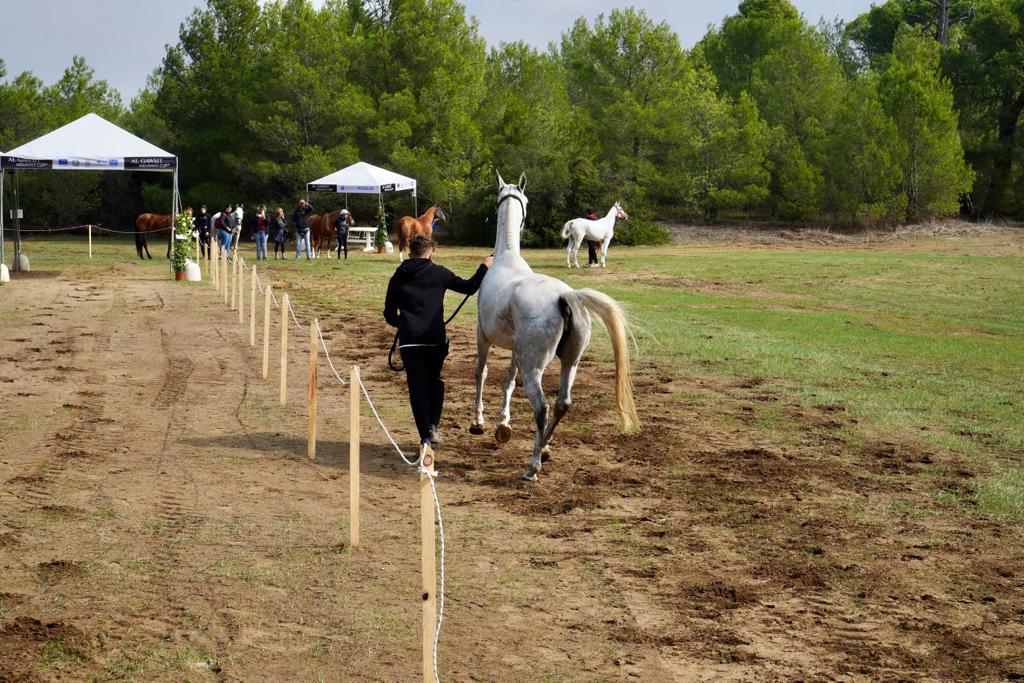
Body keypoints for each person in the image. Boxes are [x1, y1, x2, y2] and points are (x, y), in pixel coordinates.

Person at [383, 235, 493, 456]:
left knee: (417, 388)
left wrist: (404, 324)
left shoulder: (397, 276)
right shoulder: (439, 272)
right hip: (434, 339)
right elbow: (469, 287)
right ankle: (433, 426)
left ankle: (425, 436)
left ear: (411, 252)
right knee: (434, 382)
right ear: (430, 252)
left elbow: (388, 314)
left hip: (410, 342)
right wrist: (484, 266)